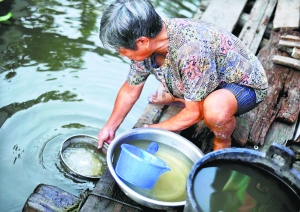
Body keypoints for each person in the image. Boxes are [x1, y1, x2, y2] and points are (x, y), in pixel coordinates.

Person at [97, 0, 268, 151]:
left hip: (243, 85)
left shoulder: (191, 50)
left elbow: (195, 114)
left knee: (214, 111)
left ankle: (222, 141)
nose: (121, 54)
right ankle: (183, 97)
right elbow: (130, 89)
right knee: (192, 91)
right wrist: (110, 127)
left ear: (142, 42)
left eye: (122, 50)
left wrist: (152, 129)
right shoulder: (149, 43)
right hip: (205, 79)